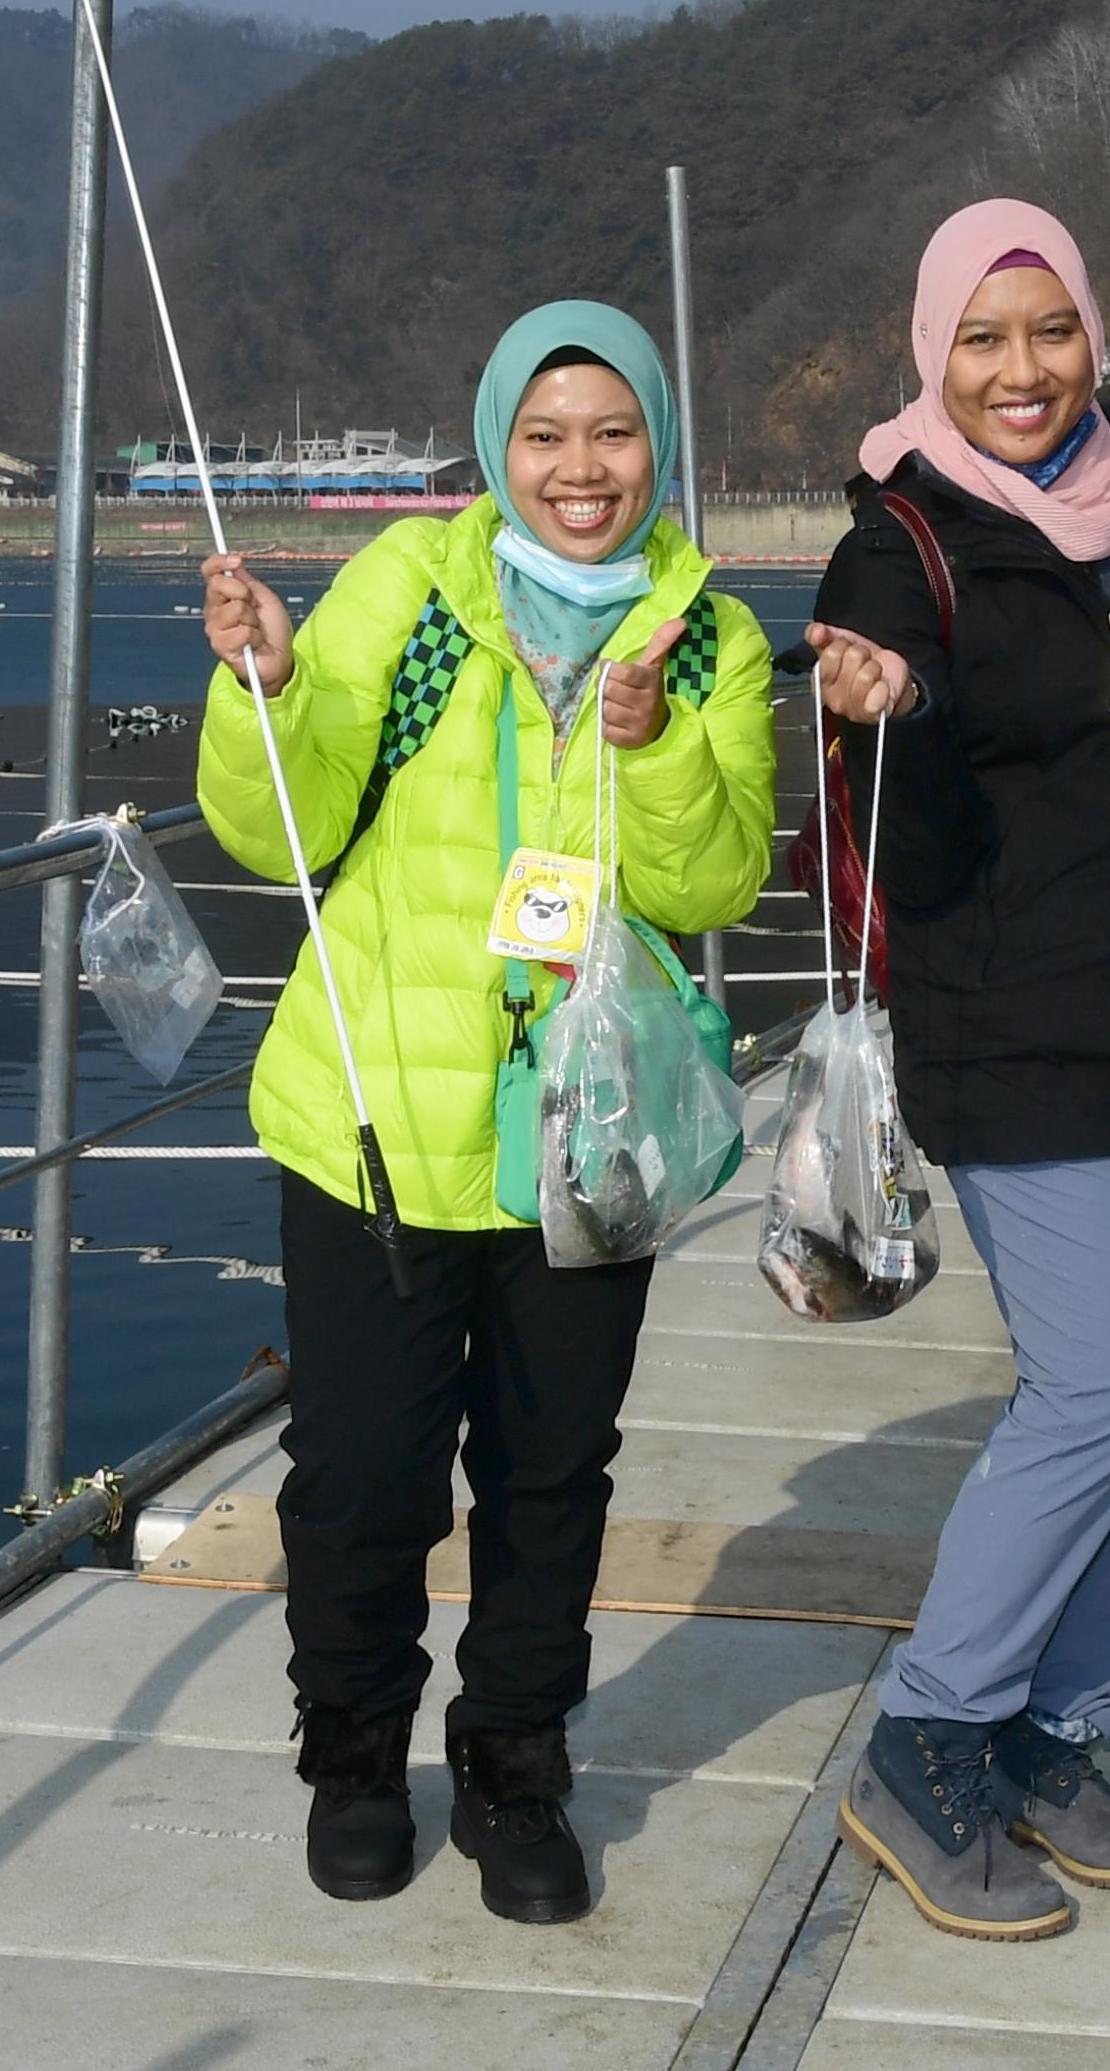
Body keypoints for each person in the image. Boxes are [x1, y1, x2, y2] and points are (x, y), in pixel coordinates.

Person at [195, 300, 775, 1925]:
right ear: (495, 447)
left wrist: (652, 749)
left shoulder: (705, 633)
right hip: (377, 1117)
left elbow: (717, 876)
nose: (579, 470)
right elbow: (281, 833)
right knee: (364, 1474)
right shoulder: (413, 586)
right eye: (545, 435)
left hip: (585, 1136)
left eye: (612, 435)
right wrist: (273, 685)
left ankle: (517, 1765)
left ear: (658, 446)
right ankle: (358, 1755)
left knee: (551, 1473)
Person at [801, 200, 1110, 1942]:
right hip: (1012, 1031)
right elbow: (892, 805)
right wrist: (885, 714)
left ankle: (1051, 1738)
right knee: (1109, 1389)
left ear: (1093, 334)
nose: (1021, 372)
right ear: (932, 353)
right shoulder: (897, 550)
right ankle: (928, 1728)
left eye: (1050, 331)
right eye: (982, 341)